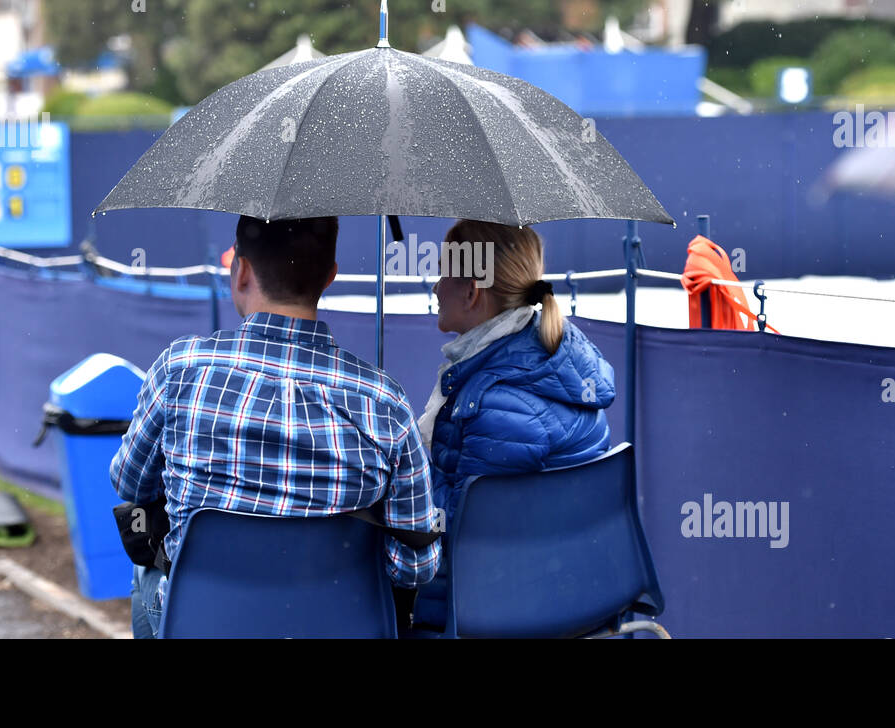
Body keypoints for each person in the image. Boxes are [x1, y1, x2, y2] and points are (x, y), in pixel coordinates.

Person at [110, 215, 441, 638]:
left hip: (205, 625)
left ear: (241, 270)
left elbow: (130, 484)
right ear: (329, 277)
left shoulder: (180, 368)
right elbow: (416, 566)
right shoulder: (385, 401)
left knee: (145, 573)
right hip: (340, 626)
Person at [407, 218, 616, 631]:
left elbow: (462, 537)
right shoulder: (556, 361)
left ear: (471, 292)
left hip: (499, 609)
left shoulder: (493, 404)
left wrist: (397, 477)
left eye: (444, 274)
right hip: (577, 593)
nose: (434, 287)